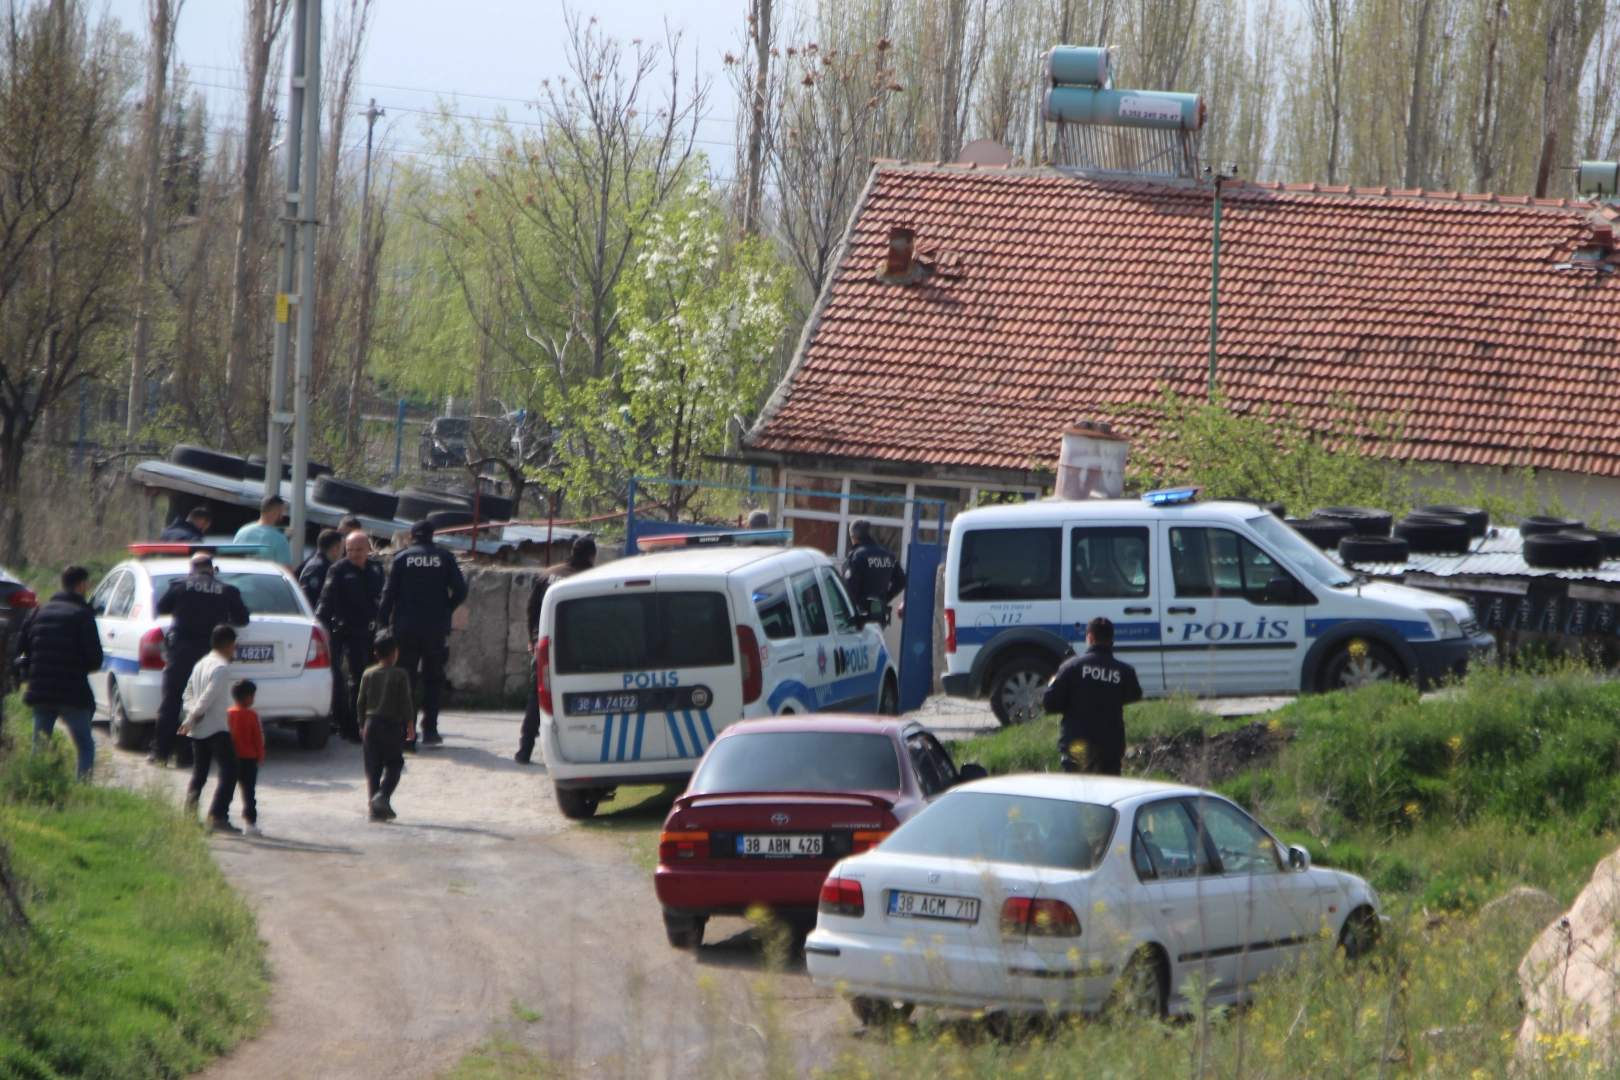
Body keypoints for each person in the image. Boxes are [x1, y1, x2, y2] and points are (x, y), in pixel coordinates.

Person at [152, 552, 250, 767]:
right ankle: (187, 755)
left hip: (181, 651)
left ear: (192, 569)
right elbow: (243, 619)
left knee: (171, 702)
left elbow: (160, 609)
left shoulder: (179, 586)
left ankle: (160, 754)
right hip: (209, 654)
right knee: (201, 703)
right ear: (212, 569)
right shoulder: (226, 590)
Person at [377, 520, 467, 749]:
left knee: (405, 682)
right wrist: (447, 607)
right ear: (432, 535)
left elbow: (388, 595)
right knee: (434, 679)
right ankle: (430, 730)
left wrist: (381, 624)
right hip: (434, 628)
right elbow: (461, 589)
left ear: (411, 536)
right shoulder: (444, 558)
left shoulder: (402, 558)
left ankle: (407, 737)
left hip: (405, 629)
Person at [14, 565, 103, 780]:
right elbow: (95, 659)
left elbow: (20, 651)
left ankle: (34, 789)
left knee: (39, 746)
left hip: (40, 691)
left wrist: (30, 675)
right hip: (72, 692)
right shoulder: (82, 615)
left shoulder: (37, 612)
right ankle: (81, 793)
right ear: (82, 585)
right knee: (85, 746)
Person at [515, 536, 596, 764]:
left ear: (572, 551)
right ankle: (579, 751)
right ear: (591, 557)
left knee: (536, 695)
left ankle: (525, 748)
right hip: (577, 651)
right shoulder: (590, 578)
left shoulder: (548, 574)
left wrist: (533, 638)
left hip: (545, 646)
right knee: (579, 698)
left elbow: (532, 609)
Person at [1041, 617, 1143, 776]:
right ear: (1112, 639)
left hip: (1077, 749)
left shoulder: (1071, 667)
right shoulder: (1125, 671)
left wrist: (1056, 685)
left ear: (1090, 638)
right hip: (1110, 751)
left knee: (1076, 798)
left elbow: (1049, 704)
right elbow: (1135, 695)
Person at [316, 530, 386, 743]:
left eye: (359, 550)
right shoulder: (338, 570)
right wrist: (322, 624)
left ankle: (375, 723)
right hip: (351, 632)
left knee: (377, 678)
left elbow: (383, 596)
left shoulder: (375, 568)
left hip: (374, 631)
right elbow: (326, 600)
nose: (354, 554)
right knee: (358, 679)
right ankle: (355, 727)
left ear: (368, 549)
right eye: (350, 550)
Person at [180, 624, 243, 833]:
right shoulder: (221, 668)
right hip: (216, 727)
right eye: (233, 646)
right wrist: (192, 718)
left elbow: (187, 693)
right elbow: (208, 696)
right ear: (227, 645)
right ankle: (217, 815)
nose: (233, 651)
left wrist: (192, 715)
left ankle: (189, 815)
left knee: (200, 772)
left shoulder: (202, 663)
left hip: (198, 728)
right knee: (231, 769)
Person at [355, 633, 414, 821]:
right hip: (390, 726)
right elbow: (405, 702)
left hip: (371, 724)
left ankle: (374, 811)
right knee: (395, 764)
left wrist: (362, 724)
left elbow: (360, 702)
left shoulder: (368, 673)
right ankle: (383, 795)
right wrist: (410, 725)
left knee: (373, 768)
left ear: (376, 653)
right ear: (395, 653)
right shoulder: (400, 675)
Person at [842, 519, 907, 626]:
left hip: (860, 617)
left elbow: (849, 589)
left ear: (853, 536)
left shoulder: (857, 557)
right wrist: (886, 597)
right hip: (880, 615)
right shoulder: (889, 556)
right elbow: (901, 580)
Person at [228, 679, 264, 837]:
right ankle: (250, 823)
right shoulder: (252, 716)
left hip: (230, 758)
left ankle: (220, 815)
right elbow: (257, 738)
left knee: (227, 789)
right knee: (248, 792)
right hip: (248, 759)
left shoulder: (228, 713)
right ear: (249, 697)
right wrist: (259, 756)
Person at [233, 494, 293, 568]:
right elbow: (286, 573)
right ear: (276, 512)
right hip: (266, 580)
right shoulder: (279, 539)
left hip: (240, 579)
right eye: (282, 512)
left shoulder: (242, 533)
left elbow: (233, 563)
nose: (282, 517)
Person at [298, 530, 344, 609]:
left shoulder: (324, 566)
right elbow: (310, 601)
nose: (343, 551)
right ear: (334, 549)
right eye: (343, 548)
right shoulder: (317, 568)